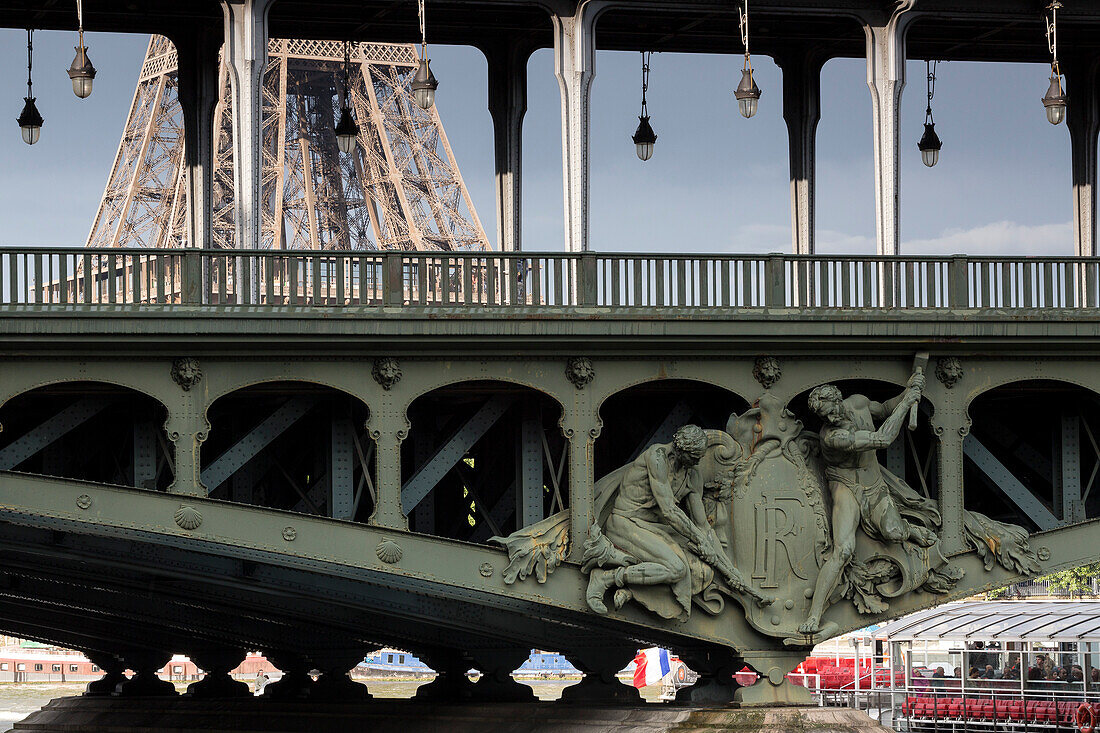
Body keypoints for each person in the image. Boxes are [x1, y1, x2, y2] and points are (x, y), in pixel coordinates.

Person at [799, 371, 935, 634]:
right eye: (824, 416)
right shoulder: (832, 436)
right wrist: (907, 404)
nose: (831, 418)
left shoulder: (858, 403)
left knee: (894, 532)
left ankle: (911, 530)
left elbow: (885, 409)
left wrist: (907, 392)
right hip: (845, 486)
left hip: (874, 484)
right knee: (843, 550)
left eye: (832, 410)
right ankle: (815, 615)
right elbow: (882, 439)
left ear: (840, 400)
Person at [583, 425, 764, 619]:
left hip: (654, 529)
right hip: (626, 523)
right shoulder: (657, 457)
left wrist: (730, 571)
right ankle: (605, 578)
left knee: (702, 572)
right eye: (695, 456)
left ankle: (633, 590)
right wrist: (701, 542)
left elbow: (703, 527)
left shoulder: (692, 475)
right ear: (680, 449)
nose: (698, 461)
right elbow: (669, 510)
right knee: (676, 568)